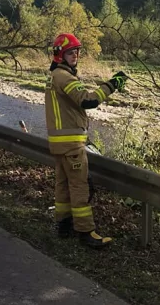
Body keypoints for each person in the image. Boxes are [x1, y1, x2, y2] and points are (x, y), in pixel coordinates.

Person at [44, 33, 127, 249]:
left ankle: (63, 225)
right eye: (71, 52)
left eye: (77, 52)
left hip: (58, 143)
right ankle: (85, 232)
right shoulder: (65, 77)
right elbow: (88, 100)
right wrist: (112, 84)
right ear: (60, 55)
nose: (75, 56)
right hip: (71, 144)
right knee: (80, 187)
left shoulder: (53, 76)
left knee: (62, 186)